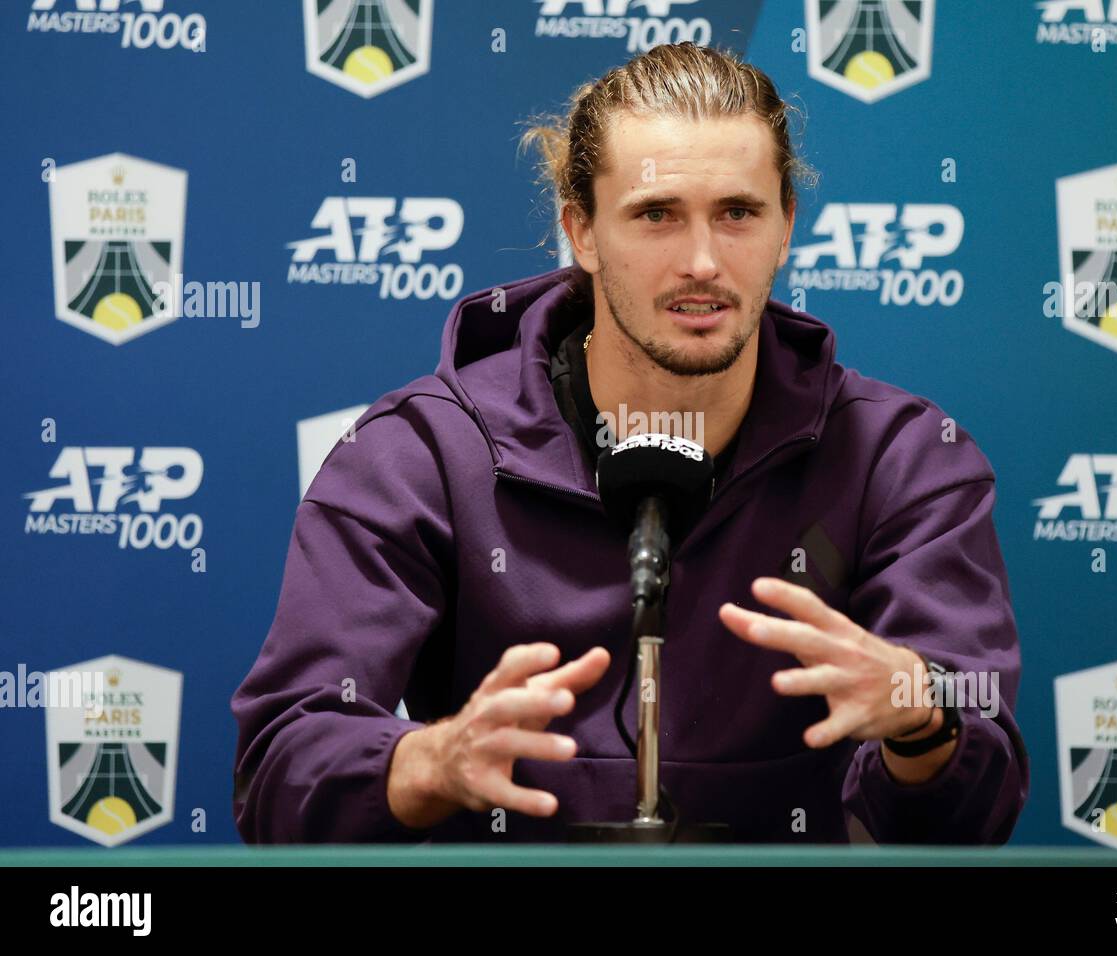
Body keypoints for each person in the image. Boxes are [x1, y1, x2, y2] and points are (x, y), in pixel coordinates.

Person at [231, 42, 1028, 844]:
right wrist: (431, 761)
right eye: (656, 215)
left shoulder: (905, 458)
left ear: (787, 225)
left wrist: (923, 716)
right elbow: (279, 772)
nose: (703, 262)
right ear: (580, 230)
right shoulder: (420, 456)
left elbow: (974, 808)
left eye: (738, 213)